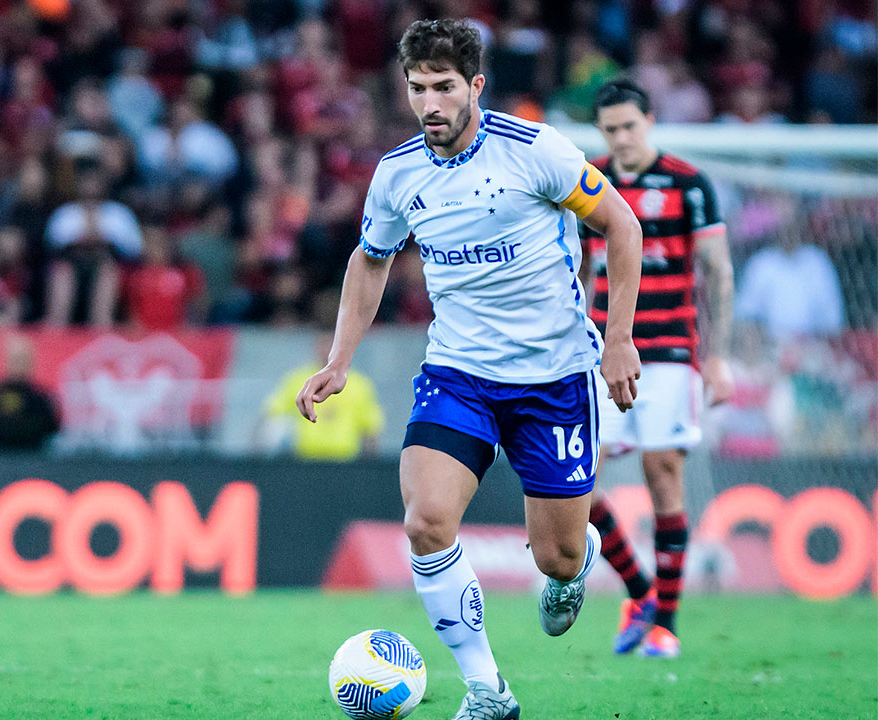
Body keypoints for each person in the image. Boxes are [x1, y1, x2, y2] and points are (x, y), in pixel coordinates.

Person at [296, 19, 642, 720]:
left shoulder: (535, 152)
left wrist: (618, 341)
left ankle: (577, 560)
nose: (430, 103)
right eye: (418, 87)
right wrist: (339, 360)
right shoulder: (398, 174)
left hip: (554, 376)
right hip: (458, 372)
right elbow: (371, 258)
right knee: (426, 521)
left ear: (475, 86)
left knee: (556, 554)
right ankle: (489, 690)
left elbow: (623, 225)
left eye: (444, 87)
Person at [584, 79, 735, 659]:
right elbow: (579, 269)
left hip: (671, 348)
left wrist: (716, 355)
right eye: (610, 129)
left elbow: (718, 273)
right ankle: (640, 590)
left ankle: (665, 626)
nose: (621, 138)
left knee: (662, 472)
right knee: (577, 482)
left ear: (649, 121)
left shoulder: (688, 183)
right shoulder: (589, 184)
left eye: (629, 126)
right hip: (602, 347)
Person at [261, 330, 383, 460]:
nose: (326, 350)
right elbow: (272, 415)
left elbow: (371, 427)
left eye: (331, 344)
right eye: (323, 344)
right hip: (305, 460)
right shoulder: (298, 379)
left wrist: (370, 462)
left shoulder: (359, 384)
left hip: (345, 461)